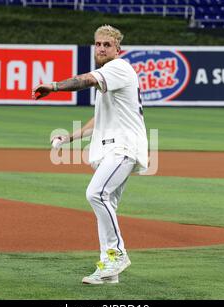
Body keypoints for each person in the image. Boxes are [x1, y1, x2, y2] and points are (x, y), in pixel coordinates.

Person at [32, 25, 148, 285]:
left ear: (118, 49)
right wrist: (68, 137)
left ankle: (117, 254)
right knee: (107, 203)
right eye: (98, 44)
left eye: (108, 45)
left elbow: (85, 80)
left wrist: (53, 86)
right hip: (114, 148)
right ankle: (109, 270)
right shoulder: (111, 75)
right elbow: (98, 120)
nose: (102, 48)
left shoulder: (118, 68)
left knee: (96, 193)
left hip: (123, 147)